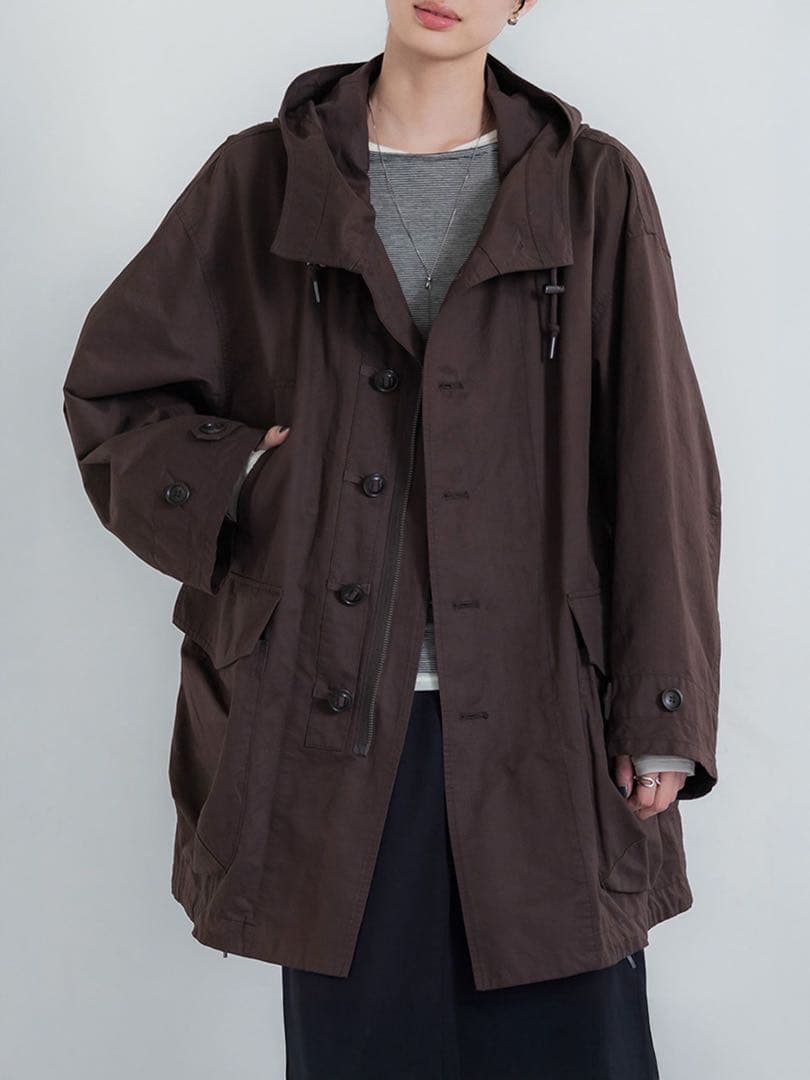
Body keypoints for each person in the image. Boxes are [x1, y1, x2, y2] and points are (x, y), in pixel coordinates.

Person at [62, 2, 722, 1077]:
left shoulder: (590, 185)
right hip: (326, 735)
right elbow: (115, 398)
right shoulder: (260, 179)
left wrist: (663, 708)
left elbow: (660, 459)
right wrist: (251, 474)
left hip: (546, 734)